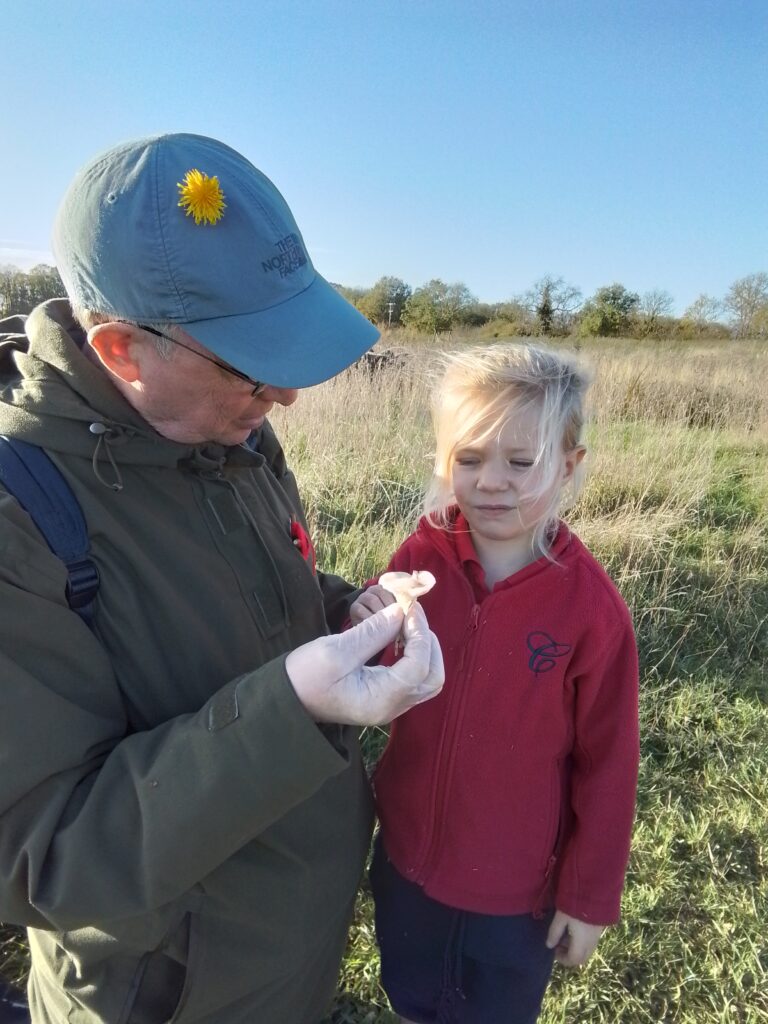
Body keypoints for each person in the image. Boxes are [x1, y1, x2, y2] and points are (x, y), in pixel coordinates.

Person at [0, 133, 444, 1024]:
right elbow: (38, 855)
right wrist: (294, 709)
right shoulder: (21, 521)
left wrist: (336, 610)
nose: (285, 396)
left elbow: (236, 606)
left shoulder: (232, 434)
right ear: (123, 350)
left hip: (284, 961)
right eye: (252, 365)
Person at [351, 343, 640, 1024]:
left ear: (569, 467)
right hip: (406, 858)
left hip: (515, 893)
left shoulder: (592, 611)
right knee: (411, 994)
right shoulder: (421, 556)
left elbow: (609, 766)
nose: (492, 482)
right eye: (470, 460)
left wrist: (589, 897)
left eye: (521, 462)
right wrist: (367, 617)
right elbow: (391, 669)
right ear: (442, 461)